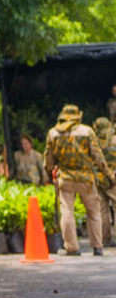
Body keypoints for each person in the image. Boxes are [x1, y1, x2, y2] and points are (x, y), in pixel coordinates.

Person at [44, 105, 112, 256]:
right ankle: (97, 246)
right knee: (94, 212)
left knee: (67, 211)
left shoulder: (53, 133)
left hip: (65, 179)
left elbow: (48, 159)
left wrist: (49, 175)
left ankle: (72, 247)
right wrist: (109, 175)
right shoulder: (87, 131)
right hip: (86, 179)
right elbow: (98, 157)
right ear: (78, 116)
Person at [92, 117, 116, 245]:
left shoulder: (94, 141)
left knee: (102, 210)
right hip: (113, 179)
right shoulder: (114, 139)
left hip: (98, 179)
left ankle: (105, 238)